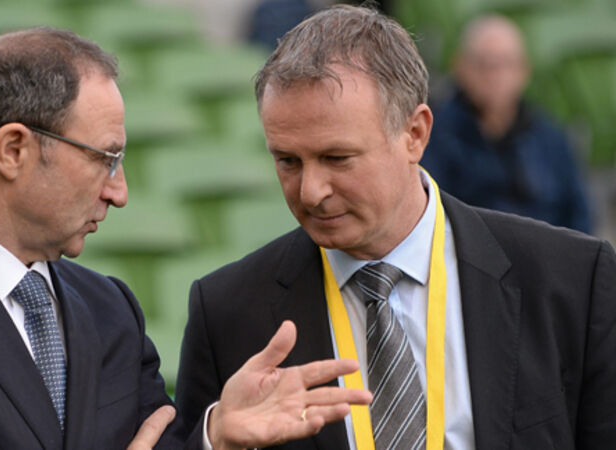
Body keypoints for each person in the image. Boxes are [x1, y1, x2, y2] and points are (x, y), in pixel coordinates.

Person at [0, 27, 373, 449]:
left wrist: (215, 438)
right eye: (105, 159)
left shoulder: (108, 308)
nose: (119, 192)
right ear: (13, 150)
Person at [175, 5, 616, 449]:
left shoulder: (570, 280)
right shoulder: (227, 312)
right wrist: (216, 441)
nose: (310, 191)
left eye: (336, 158)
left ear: (415, 134)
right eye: (288, 161)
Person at [421, 14, 592, 233]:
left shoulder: (550, 137)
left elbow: (579, 215)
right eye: (482, 64)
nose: (494, 75)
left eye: (506, 64)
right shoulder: (434, 135)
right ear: (459, 67)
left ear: (524, 71)